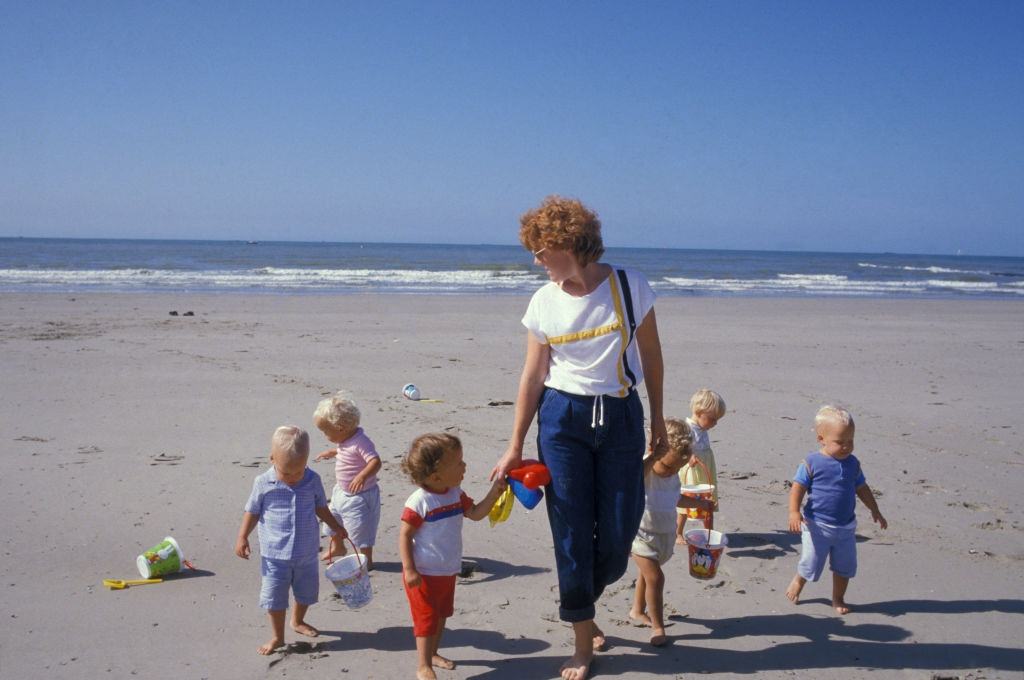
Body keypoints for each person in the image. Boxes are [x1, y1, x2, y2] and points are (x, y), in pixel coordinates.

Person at [491, 195, 666, 680]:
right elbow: (532, 375)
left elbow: (651, 358)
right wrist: (515, 444)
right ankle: (583, 640)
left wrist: (659, 422)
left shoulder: (630, 286)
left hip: (622, 417)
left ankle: (582, 598)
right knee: (569, 534)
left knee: (617, 534)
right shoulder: (542, 301)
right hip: (562, 419)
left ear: (569, 244)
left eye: (541, 250)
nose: (535, 260)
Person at [400, 433, 507, 680]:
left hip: (447, 570)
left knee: (441, 614)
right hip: (423, 573)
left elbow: (476, 513)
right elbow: (405, 536)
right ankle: (423, 664)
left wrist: (495, 492)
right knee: (426, 619)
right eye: (459, 463)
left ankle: (434, 653)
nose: (465, 466)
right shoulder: (419, 502)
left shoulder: (455, 493)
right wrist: (409, 569)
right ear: (436, 476)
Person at [235, 426, 347, 655]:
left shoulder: (312, 480)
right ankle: (277, 637)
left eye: (299, 471)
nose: (295, 478)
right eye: (287, 473)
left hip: (306, 552)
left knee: (305, 592)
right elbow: (252, 511)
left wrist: (335, 527)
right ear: (272, 459)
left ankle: (297, 621)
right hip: (274, 555)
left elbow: (320, 507)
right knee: (274, 597)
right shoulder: (263, 483)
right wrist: (242, 536)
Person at [786, 405, 888, 615]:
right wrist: (794, 512)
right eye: (840, 442)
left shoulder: (853, 464)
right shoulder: (812, 462)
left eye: (850, 441)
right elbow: (798, 488)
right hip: (816, 525)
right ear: (821, 439)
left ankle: (838, 598)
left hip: (846, 527)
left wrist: (874, 509)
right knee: (811, 562)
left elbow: (862, 488)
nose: (846, 447)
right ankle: (799, 580)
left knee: (845, 566)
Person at [629, 418, 713, 646]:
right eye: (667, 466)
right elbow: (632, 479)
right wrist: (654, 456)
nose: (671, 472)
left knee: (646, 578)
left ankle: (637, 610)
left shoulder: (672, 473)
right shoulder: (646, 469)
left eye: (677, 468)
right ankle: (658, 627)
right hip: (641, 534)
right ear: (655, 453)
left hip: (663, 535)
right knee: (655, 578)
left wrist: (701, 504)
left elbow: (677, 497)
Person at [313, 392, 382, 569]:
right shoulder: (346, 440)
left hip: (360, 497)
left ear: (341, 428)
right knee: (332, 521)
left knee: (360, 530)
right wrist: (333, 452)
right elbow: (347, 451)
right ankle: (338, 547)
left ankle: (366, 560)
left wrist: (362, 475)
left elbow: (375, 461)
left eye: (326, 431)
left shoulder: (361, 442)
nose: (325, 435)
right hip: (341, 492)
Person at [675, 388, 726, 543]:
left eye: (717, 420)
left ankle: (709, 532)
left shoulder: (703, 427)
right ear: (698, 412)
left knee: (708, 500)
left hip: (705, 469)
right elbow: (679, 448)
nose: (715, 423)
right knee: (686, 502)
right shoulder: (687, 428)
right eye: (712, 419)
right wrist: (688, 456)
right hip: (691, 471)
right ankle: (678, 532)